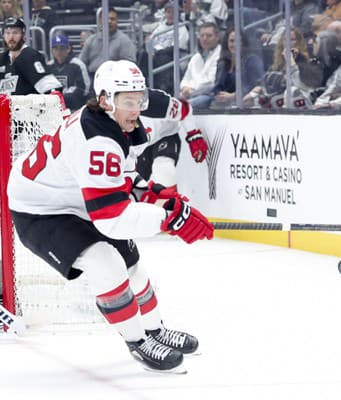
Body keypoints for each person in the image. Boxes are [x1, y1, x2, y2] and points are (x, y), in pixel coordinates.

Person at [7, 60, 214, 373]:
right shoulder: (98, 140)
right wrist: (168, 218)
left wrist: (162, 198)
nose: (137, 108)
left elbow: (127, 182)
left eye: (139, 99)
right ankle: (138, 342)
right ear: (105, 100)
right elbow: (110, 218)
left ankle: (154, 330)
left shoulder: (118, 124)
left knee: (132, 266)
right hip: (40, 211)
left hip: (75, 200)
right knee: (106, 263)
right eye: (128, 101)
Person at [0, 17, 62, 95]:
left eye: (15, 33)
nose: (11, 37)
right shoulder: (2, 59)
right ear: (3, 36)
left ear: (23, 35)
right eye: (7, 33)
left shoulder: (30, 56)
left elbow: (51, 87)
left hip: (27, 106)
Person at [79, 8, 137, 86]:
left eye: (112, 19)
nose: (109, 21)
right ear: (100, 21)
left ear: (117, 22)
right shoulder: (91, 40)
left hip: (115, 80)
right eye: (106, 19)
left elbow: (129, 65)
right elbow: (81, 63)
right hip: (92, 78)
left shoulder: (124, 41)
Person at [179, 21, 222, 110]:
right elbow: (186, 79)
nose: (204, 38)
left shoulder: (221, 55)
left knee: (180, 109)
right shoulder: (196, 57)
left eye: (209, 35)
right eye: (202, 35)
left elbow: (211, 82)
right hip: (191, 95)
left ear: (217, 37)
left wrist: (191, 90)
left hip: (209, 96)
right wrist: (184, 88)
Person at [47, 34, 91, 110]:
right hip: (54, 106)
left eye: (62, 48)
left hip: (74, 106)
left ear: (68, 49)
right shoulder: (48, 66)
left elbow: (84, 88)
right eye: (55, 48)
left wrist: (63, 97)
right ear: (52, 50)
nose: (59, 52)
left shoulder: (78, 65)